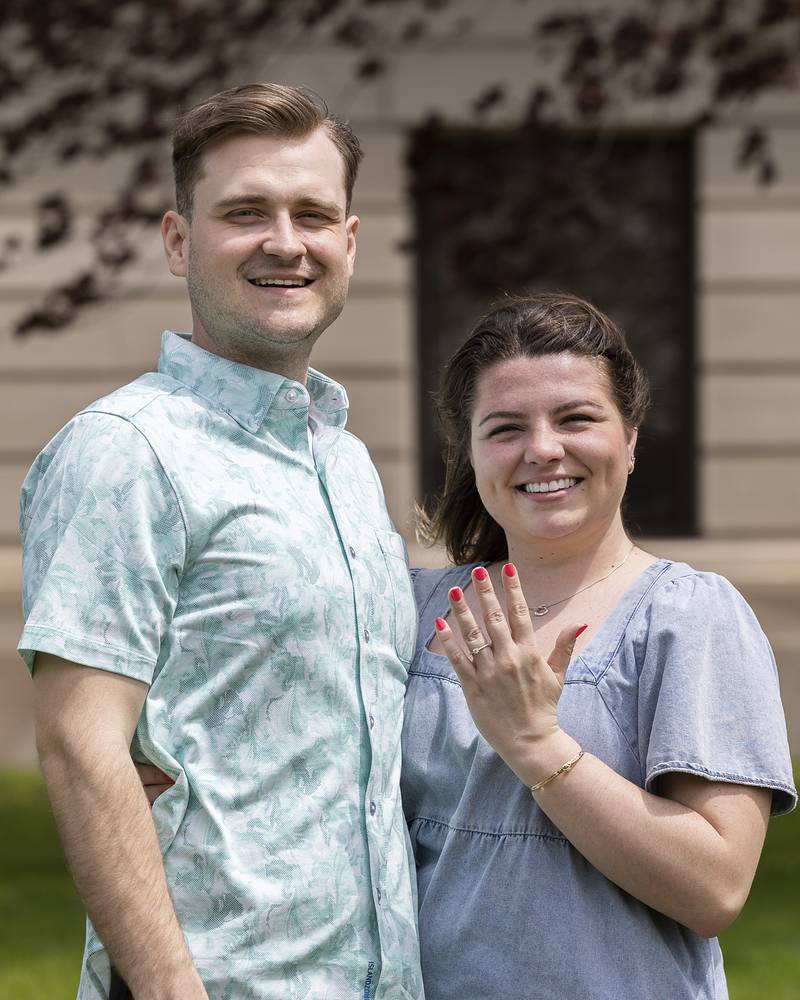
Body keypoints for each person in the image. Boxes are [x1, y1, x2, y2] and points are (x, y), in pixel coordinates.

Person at [18, 83, 423, 1000]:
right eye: (245, 213)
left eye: (313, 214)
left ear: (349, 244)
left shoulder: (346, 464)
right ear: (177, 240)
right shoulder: (127, 452)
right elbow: (83, 751)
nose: (286, 241)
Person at [400, 291, 796, 999]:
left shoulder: (689, 617)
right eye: (505, 428)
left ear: (631, 438)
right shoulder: (415, 610)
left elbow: (716, 888)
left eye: (576, 418)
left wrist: (537, 745)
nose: (543, 449)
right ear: (470, 453)